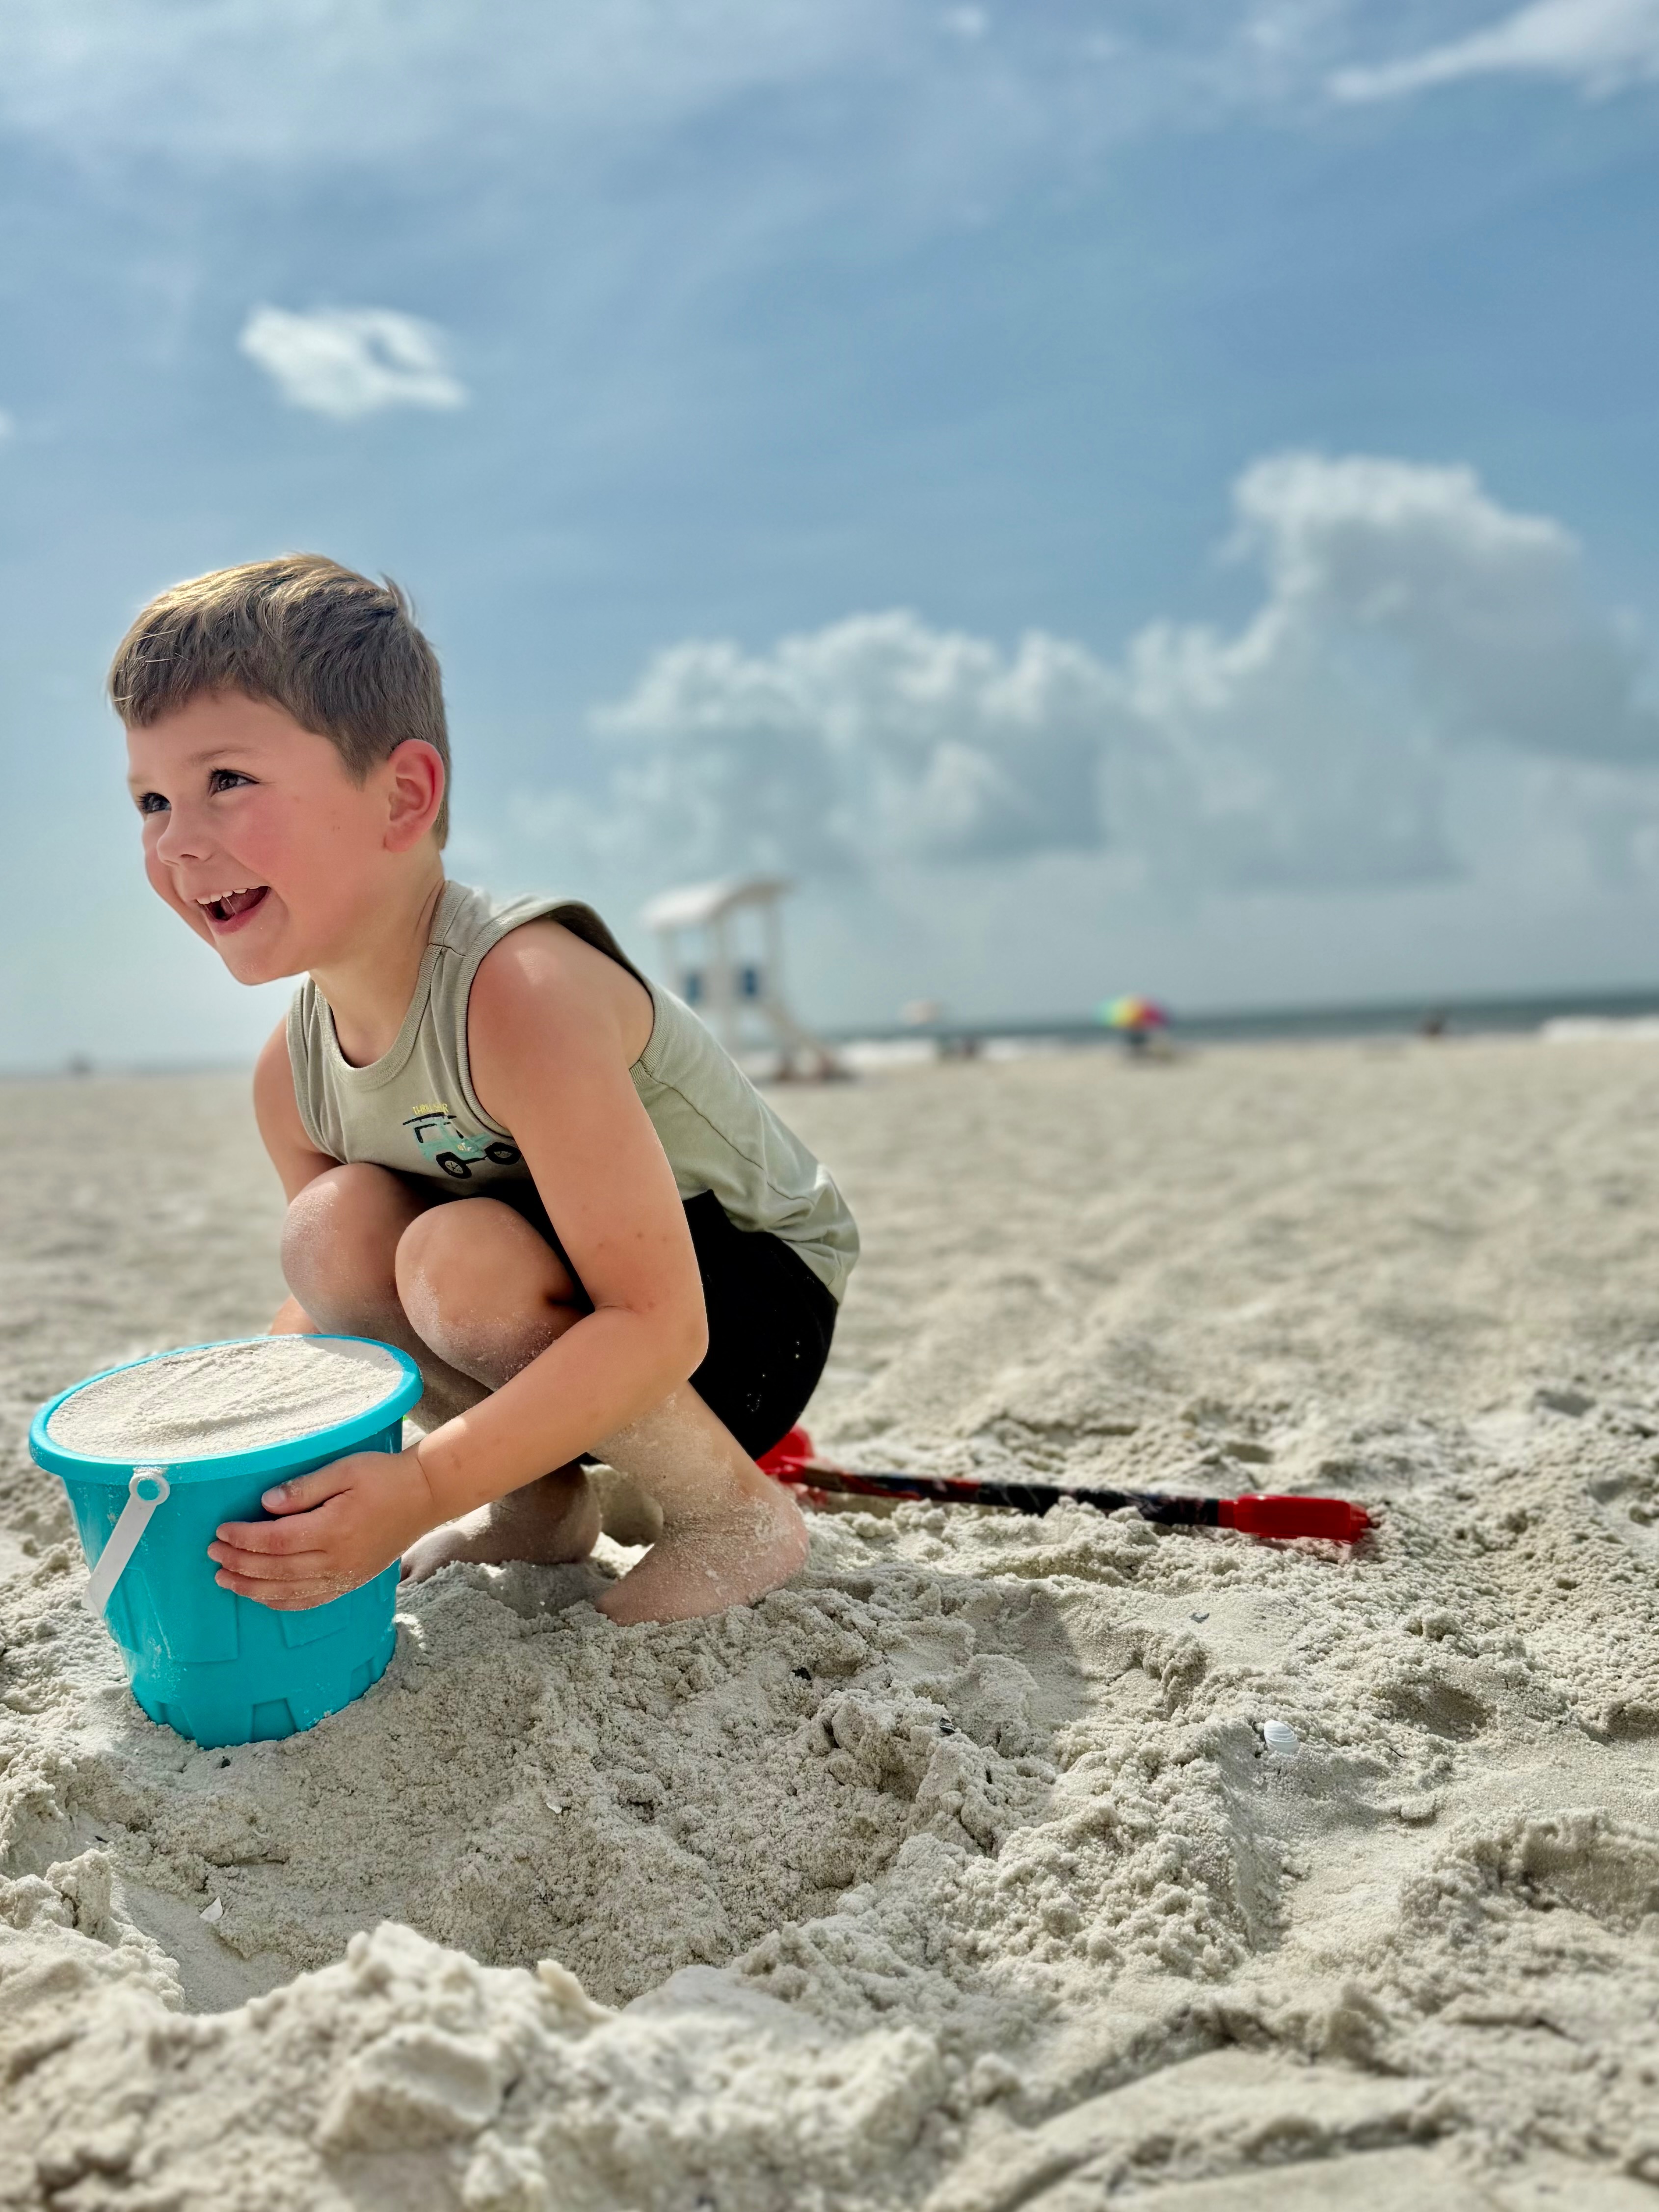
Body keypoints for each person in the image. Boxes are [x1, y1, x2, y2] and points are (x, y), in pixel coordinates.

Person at [109, 555, 857, 1625]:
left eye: (226, 780)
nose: (179, 840)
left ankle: (728, 1511)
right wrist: (258, 1443)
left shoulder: (520, 992)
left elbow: (658, 1323)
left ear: (402, 796)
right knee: (329, 1235)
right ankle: (539, 1502)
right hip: (552, 1330)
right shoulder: (291, 1073)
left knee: (454, 1255)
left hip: (741, 1311)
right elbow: (336, 1305)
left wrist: (421, 1487)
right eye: (151, 800)